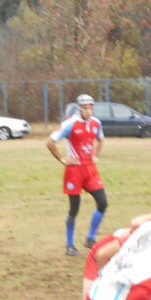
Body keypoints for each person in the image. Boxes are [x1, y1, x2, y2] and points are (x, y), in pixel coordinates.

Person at [47, 94, 108, 256]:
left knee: (102, 203)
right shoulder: (70, 124)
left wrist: (96, 155)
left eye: (91, 107)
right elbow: (50, 142)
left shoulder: (96, 123)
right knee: (74, 208)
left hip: (90, 170)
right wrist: (62, 159)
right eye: (85, 108)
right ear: (79, 108)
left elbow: (100, 140)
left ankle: (90, 238)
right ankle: (69, 245)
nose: (89, 111)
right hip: (74, 171)